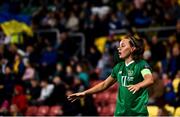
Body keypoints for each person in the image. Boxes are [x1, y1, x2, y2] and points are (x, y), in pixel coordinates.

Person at [67, 34, 154, 116]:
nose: (119, 48)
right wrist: (85, 93)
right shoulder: (118, 67)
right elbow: (104, 84)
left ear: (132, 49)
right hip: (120, 114)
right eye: (119, 46)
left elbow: (149, 79)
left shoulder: (141, 64)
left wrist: (138, 85)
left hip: (137, 114)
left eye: (123, 46)